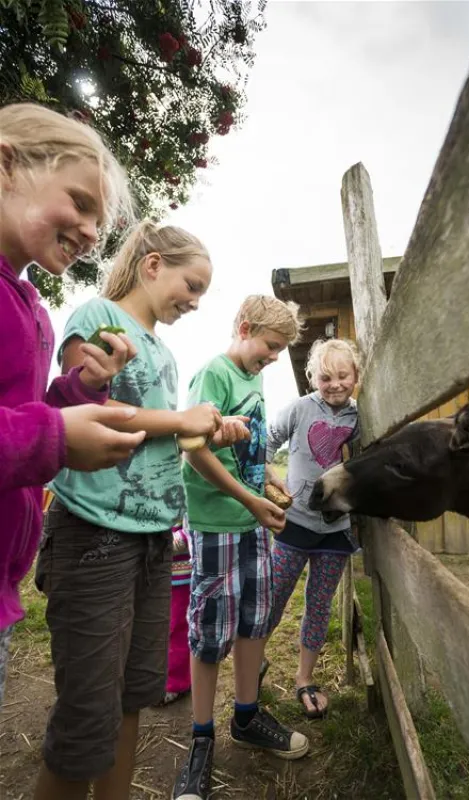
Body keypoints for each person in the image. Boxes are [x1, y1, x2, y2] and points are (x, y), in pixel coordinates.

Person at [33, 221, 248, 800]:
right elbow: (87, 410)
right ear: (153, 265)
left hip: (155, 540)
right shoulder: (96, 317)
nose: (196, 302)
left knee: (135, 695)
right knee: (88, 717)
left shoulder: (164, 352)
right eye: (192, 284)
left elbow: (158, 435)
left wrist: (205, 432)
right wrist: (182, 421)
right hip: (96, 537)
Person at [0, 102, 145, 708]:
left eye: (100, 223)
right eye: (81, 204)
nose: (91, 232)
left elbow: (22, 410)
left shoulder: (29, 304)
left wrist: (79, 391)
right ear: (6, 165)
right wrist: (54, 437)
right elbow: (32, 432)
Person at [174, 295, 309, 800]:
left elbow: (248, 451)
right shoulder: (214, 373)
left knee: (253, 620)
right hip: (216, 525)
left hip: (252, 522)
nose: (273, 357)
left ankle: (247, 717)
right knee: (210, 630)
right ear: (245, 327)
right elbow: (195, 457)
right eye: (271, 347)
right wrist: (252, 502)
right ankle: (201, 739)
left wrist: (269, 481)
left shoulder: (254, 377)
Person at [266, 338, 360, 719]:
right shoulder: (300, 409)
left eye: (343, 376)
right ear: (312, 378)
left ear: (356, 376)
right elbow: (266, 441)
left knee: (318, 606)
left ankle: (305, 678)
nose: (335, 384)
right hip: (295, 525)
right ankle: (251, 660)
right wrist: (270, 478)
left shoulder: (360, 418)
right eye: (326, 377)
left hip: (336, 531)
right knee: (273, 597)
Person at [157, 524, 193, 706]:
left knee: (177, 628)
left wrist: (161, 545)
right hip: (153, 569)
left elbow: (192, 525)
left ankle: (176, 683)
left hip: (180, 571)